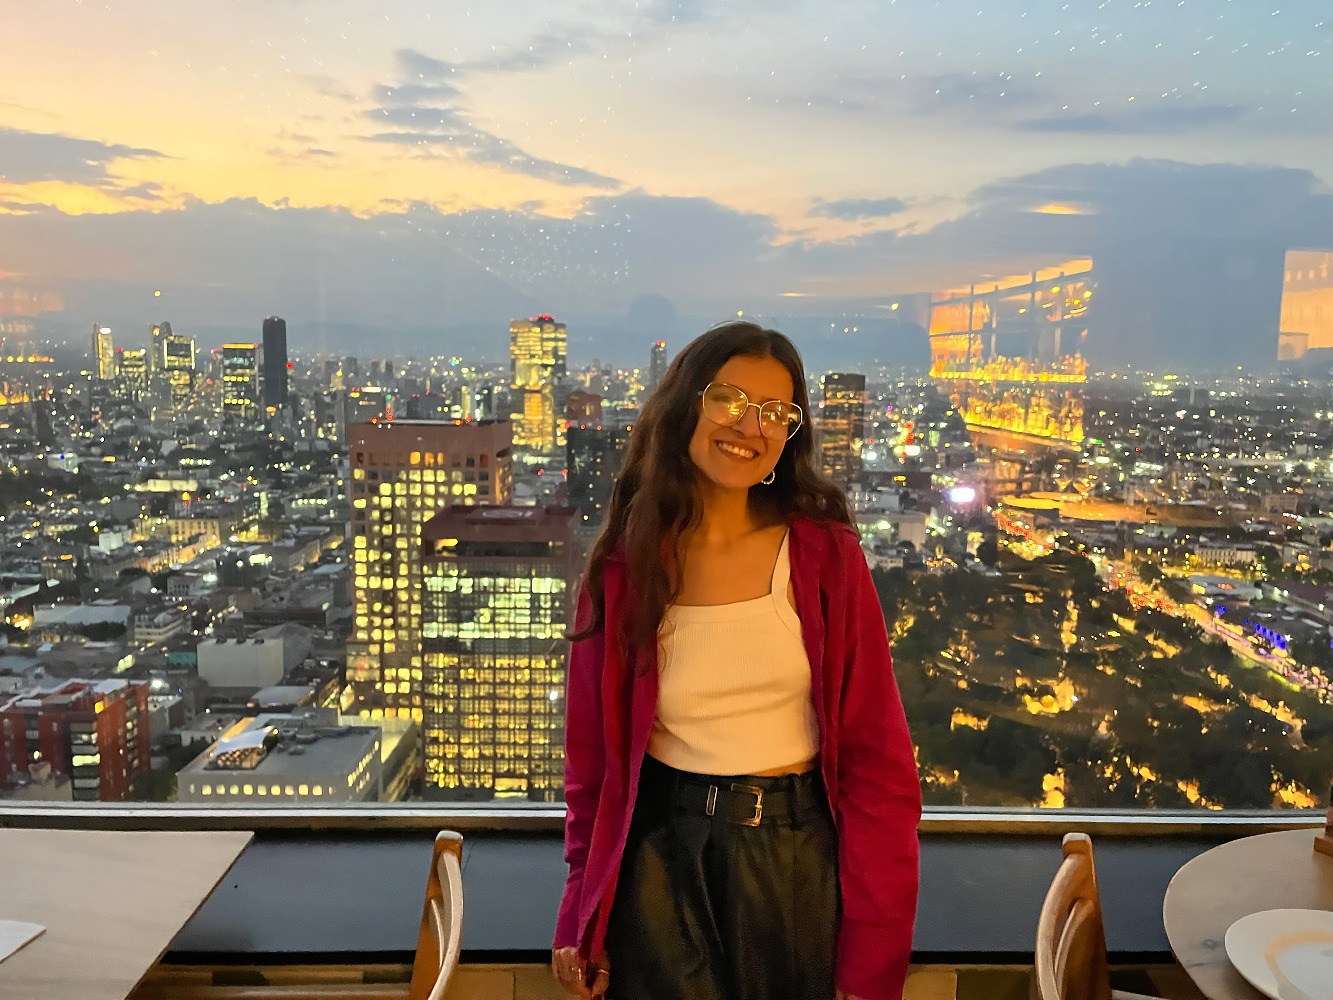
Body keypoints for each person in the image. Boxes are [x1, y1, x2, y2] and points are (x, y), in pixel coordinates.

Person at [551, 321, 921, 1000]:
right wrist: (583, 906)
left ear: (789, 437)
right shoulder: (624, 569)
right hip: (657, 856)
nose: (749, 427)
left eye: (776, 413)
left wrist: (874, 959)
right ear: (686, 406)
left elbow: (878, 765)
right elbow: (592, 766)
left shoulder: (822, 556)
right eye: (729, 400)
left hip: (792, 854)